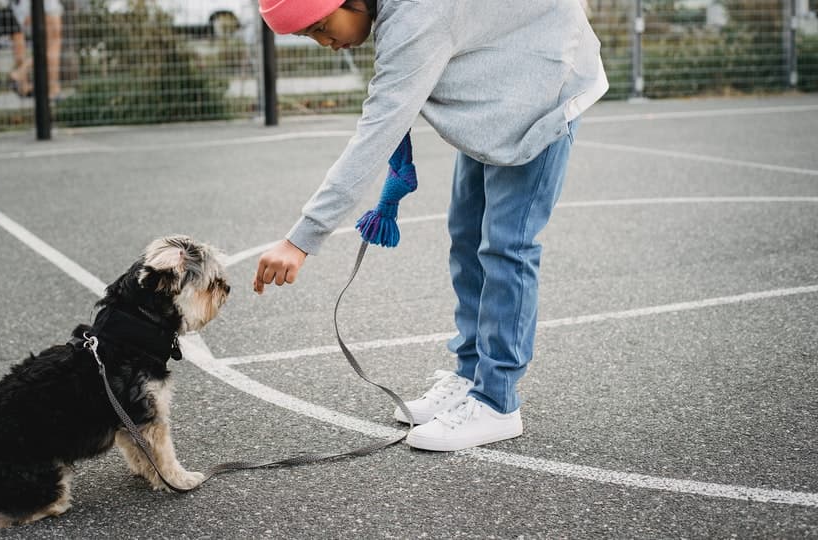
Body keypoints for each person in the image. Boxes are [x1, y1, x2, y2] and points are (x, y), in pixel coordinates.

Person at [252, 0, 609, 452]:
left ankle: (497, 401)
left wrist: (301, 240)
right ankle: (470, 375)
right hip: (500, 87)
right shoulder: (400, 12)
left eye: (321, 26)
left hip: (544, 90)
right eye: (310, 37)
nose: (325, 42)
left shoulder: (417, 17)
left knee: (506, 248)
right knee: (467, 239)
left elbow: (377, 130)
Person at [10, 0, 64, 100]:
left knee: (49, 46)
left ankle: (53, 88)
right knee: (52, 46)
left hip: (27, 8)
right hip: (43, 7)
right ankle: (20, 72)